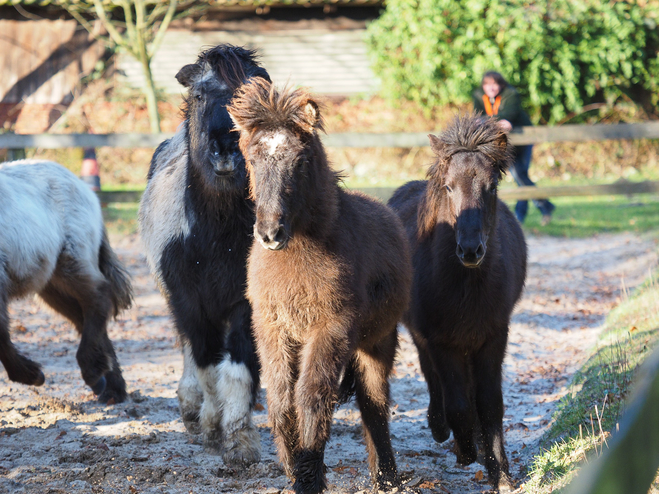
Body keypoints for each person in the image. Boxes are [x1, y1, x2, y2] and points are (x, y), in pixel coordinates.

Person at [473, 71, 555, 225]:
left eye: (494, 84)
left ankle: (523, 215)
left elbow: (509, 114)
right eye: (487, 84)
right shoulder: (478, 96)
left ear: (501, 84)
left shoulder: (511, 94)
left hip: (523, 141)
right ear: (483, 86)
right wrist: (493, 121)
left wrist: (487, 121)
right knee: (520, 176)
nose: (491, 88)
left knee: (519, 175)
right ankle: (542, 207)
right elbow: (477, 116)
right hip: (504, 143)